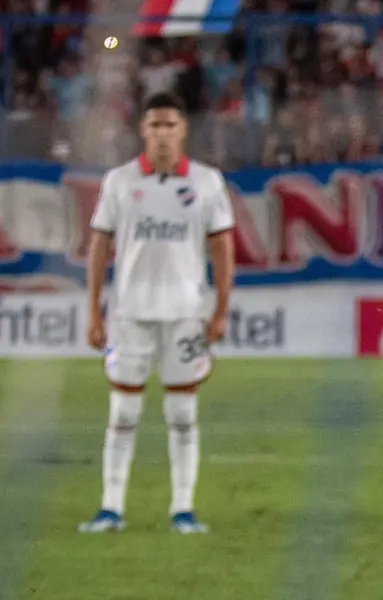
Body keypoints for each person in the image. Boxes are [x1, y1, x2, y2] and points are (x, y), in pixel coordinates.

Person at [79, 92, 236, 535]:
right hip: (129, 314)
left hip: (186, 314)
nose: (162, 133)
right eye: (154, 125)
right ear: (143, 131)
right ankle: (111, 509)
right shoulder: (119, 181)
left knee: (183, 413)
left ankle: (183, 510)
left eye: (170, 125)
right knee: (123, 412)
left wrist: (221, 310)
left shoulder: (206, 182)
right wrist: (94, 310)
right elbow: (99, 246)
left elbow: (223, 248)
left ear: (183, 130)